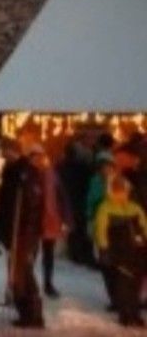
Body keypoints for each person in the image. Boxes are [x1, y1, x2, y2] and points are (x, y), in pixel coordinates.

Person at [0, 139, 45, 329]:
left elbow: (33, 203)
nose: (5, 154)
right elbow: (4, 203)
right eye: (4, 150)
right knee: (16, 272)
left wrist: (26, 227)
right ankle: (25, 310)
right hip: (10, 229)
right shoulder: (9, 171)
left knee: (23, 272)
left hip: (23, 231)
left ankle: (33, 314)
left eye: (8, 150)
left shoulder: (26, 172)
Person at [94, 175, 147, 327]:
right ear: (111, 191)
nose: (121, 194)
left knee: (136, 284)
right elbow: (101, 230)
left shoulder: (135, 208)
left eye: (123, 190)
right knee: (123, 284)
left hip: (137, 252)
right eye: (117, 190)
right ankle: (125, 314)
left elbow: (144, 226)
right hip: (118, 252)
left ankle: (135, 313)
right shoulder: (105, 208)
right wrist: (103, 249)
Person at [30, 145, 70, 298]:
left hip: (50, 218)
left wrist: (65, 217)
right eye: (36, 157)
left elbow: (61, 197)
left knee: (48, 254)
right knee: (31, 254)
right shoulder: (28, 175)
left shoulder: (51, 175)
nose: (39, 160)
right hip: (33, 220)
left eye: (41, 157)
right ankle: (29, 283)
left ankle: (48, 283)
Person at [57, 136, 95, 265]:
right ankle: (82, 255)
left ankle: (73, 253)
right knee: (81, 229)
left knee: (72, 228)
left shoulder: (60, 167)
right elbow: (87, 182)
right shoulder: (82, 167)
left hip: (67, 200)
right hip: (80, 200)